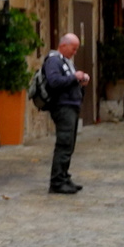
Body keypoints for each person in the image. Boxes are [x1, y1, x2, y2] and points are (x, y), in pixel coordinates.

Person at [43, 33, 89, 194]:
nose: (75, 52)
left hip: (71, 105)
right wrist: (74, 77)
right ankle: (57, 181)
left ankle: (64, 177)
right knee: (64, 143)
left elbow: (69, 80)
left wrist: (80, 80)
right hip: (62, 107)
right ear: (63, 45)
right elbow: (54, 82)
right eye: (73, 48)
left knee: (69, 144)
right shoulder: (53, 61)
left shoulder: (66, 62)